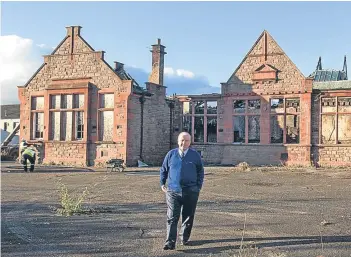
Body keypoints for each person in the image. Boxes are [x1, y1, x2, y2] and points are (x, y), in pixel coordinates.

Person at [160, 132, 204, 250]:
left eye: (187, 141)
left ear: (190, 142)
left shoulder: (195, 155)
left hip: (191, 191)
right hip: (173, 191)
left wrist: (198, 186)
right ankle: (170, 242)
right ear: (178, 141)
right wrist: (162, 183)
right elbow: (164, 169)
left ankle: (184, 238)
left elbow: (200, 171)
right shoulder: (171, 154)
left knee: (188, 216)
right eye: (182, 140)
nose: (184, 143)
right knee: (172, 217)